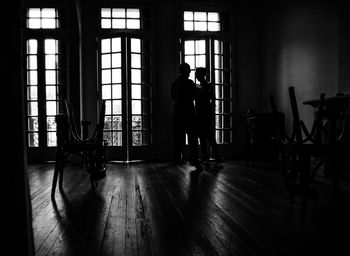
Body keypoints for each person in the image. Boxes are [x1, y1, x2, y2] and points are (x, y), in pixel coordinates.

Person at [171, 63, 200, 168]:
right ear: (186, 71)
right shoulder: (189, 83)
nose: (190, 72)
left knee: (178, 138)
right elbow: (195, 94)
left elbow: (173, 97)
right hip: (188, 113)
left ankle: (176, 159)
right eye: (189, 70)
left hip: (177, 113)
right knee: (192, 138)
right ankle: (194, 161)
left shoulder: (174, 83)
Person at [194, 67, 221, 164]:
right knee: (206, 136)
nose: (196, 75)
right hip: (203, 113)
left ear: (202, 74)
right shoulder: (202, 86)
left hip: (204, 113)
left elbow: (211, 97)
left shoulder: (206, 85)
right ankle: (210, 157)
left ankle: (210, 157)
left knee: (207, 136)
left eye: (197, 73)